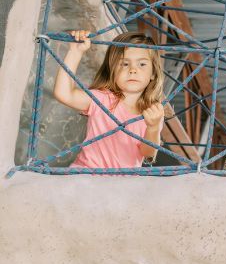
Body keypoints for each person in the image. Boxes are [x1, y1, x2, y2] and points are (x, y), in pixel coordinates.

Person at [53, 30, 165, 169]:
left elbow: (148, 154)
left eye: (142, 64)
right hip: (85, 176)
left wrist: (153, 128)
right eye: (124, 64)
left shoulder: (152, 112)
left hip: (121, 184)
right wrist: (75, 52)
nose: (132, 70)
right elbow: (64, 94)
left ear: (153, 73)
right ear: (112, 70)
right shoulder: (101, 99)